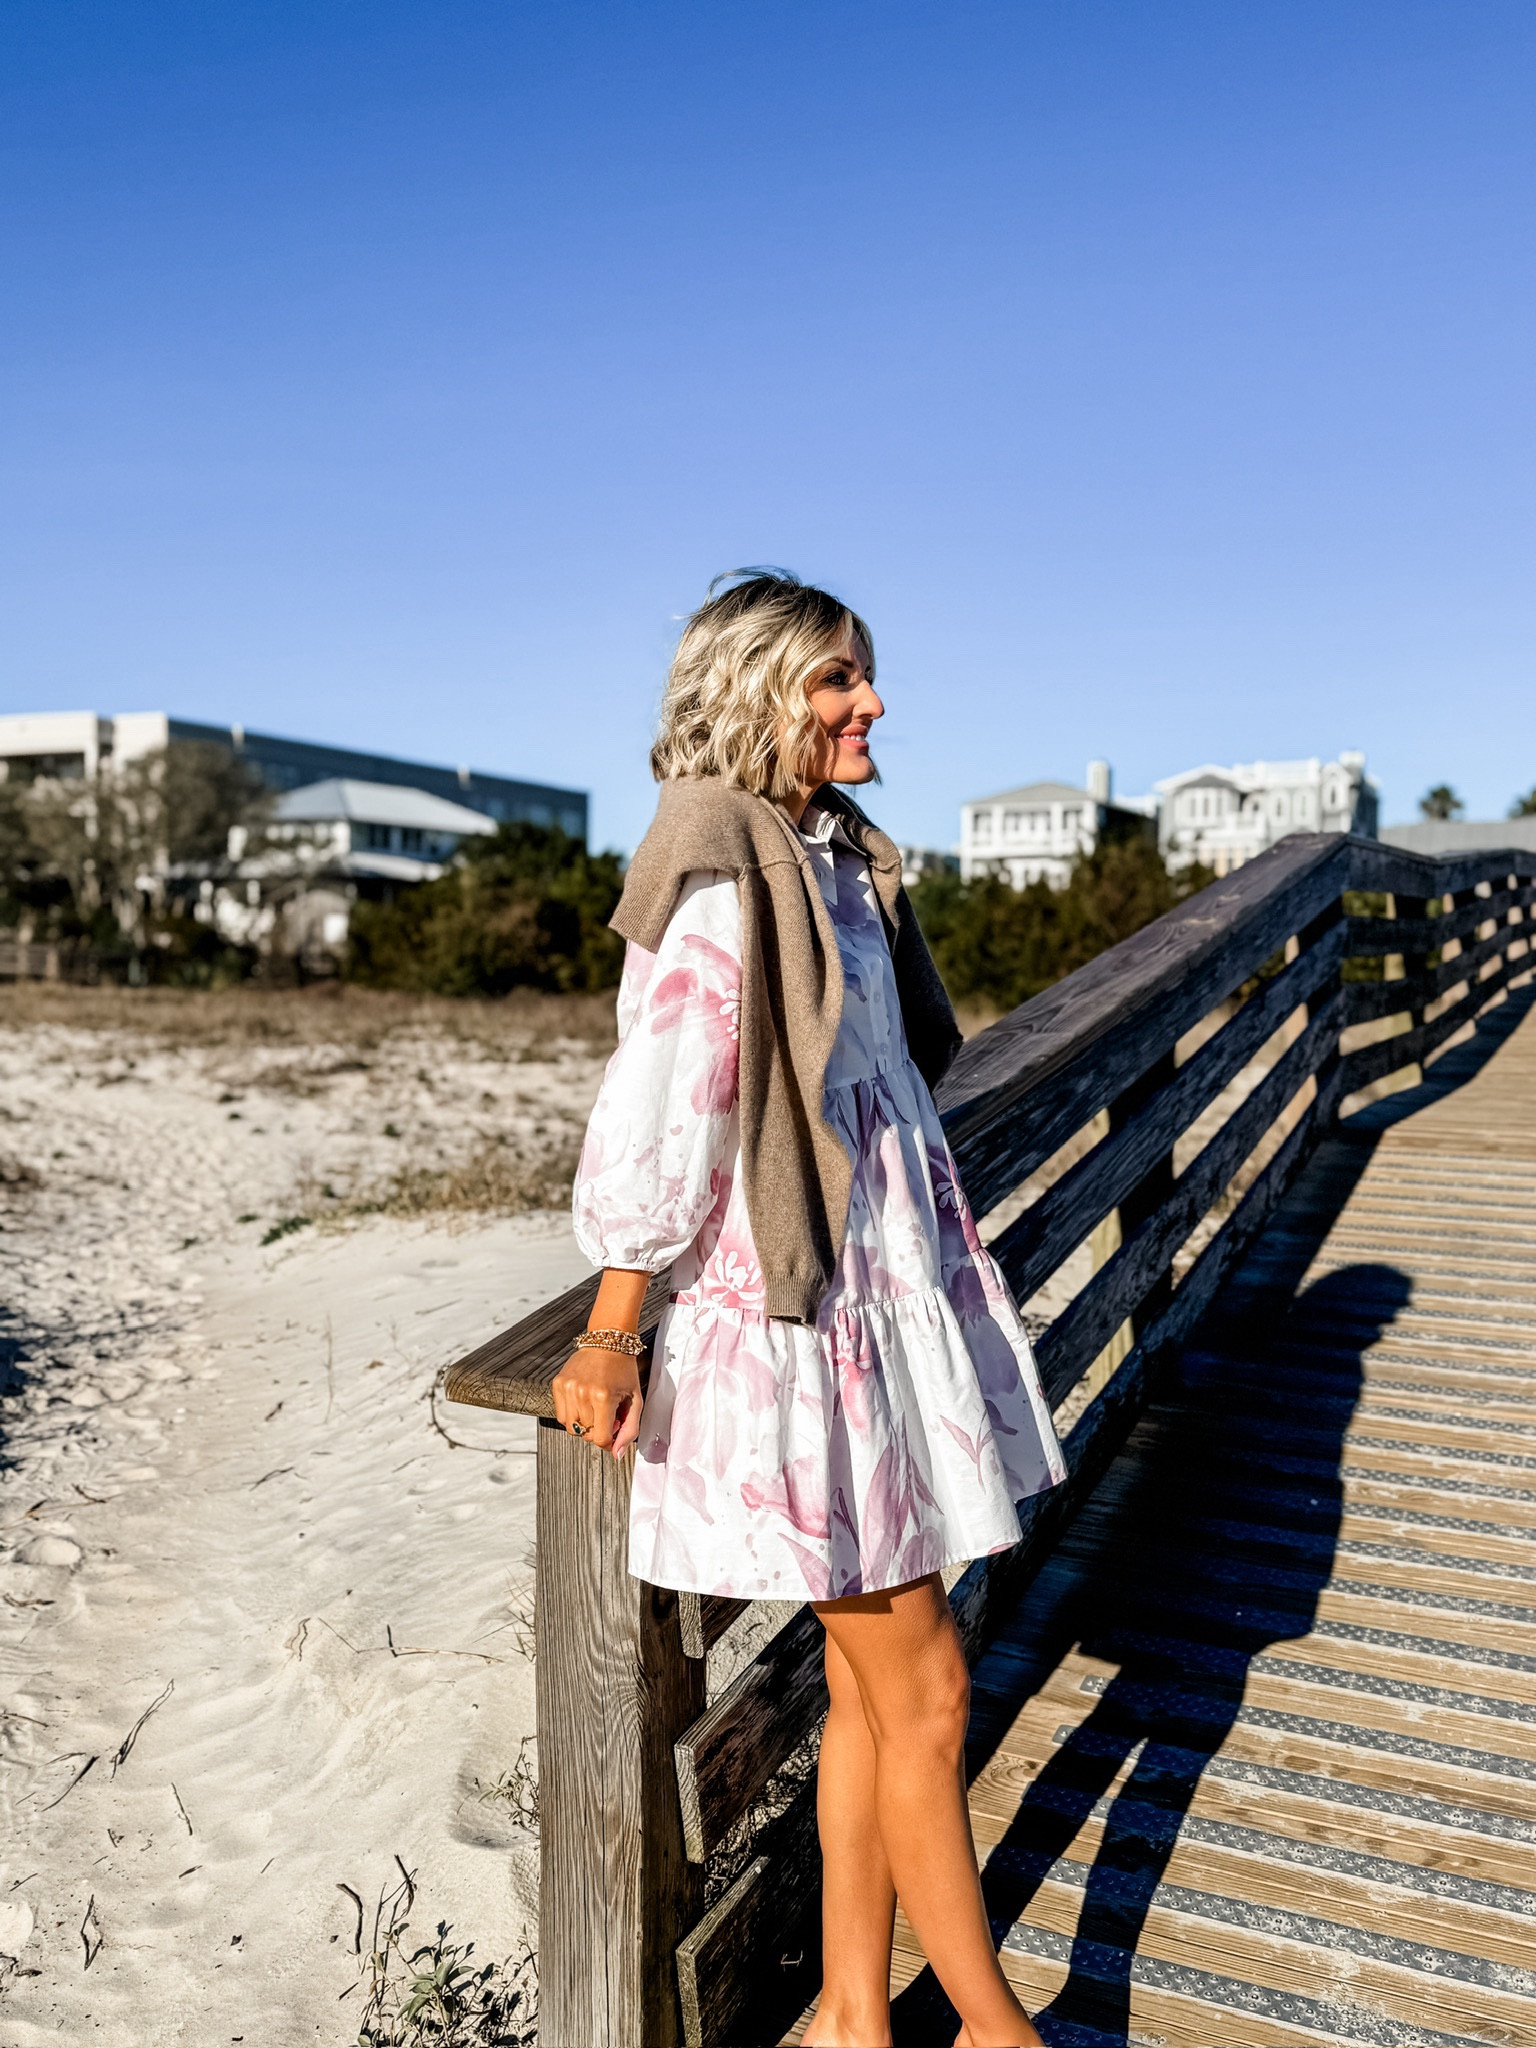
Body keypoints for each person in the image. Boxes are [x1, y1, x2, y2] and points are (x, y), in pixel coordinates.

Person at [553, 570, 1065, 2048]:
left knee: (870, 1690)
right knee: (931, 1692)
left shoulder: (827, 858)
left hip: (878, 1297)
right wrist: (609, 1318)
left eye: (867, 676)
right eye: (838, 681)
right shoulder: (722, 865)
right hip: (800, 1326)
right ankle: (992, 2028)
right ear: (760, 693)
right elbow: (664, 1097)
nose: (872, 705)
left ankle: (851, 2012)